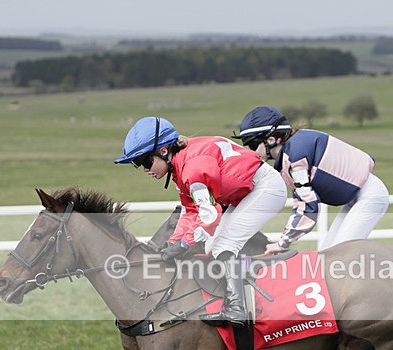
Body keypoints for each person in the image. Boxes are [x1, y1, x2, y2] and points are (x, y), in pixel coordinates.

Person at [115, 116, 287, 327]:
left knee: (225, 244)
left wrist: (182, 245)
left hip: (265, 188)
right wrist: (171, 243)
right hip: (246, 191)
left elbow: (210, 217)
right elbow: (190, 212)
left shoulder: (192, 169)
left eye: (146, 162)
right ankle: (232, 297)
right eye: (139, 165)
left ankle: (237, 308)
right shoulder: (180, 167)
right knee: (213, 246)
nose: (146, 169)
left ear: (163, 151)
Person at [232, 106, 390, 253]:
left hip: (369, 197)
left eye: (252, 145)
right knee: (326, 255)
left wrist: (283, 243)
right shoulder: (294, 149)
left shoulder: (295, 159)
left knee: (338, 257)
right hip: (358, 196)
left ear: (271, 139)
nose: (252, 152)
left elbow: (308, 206)